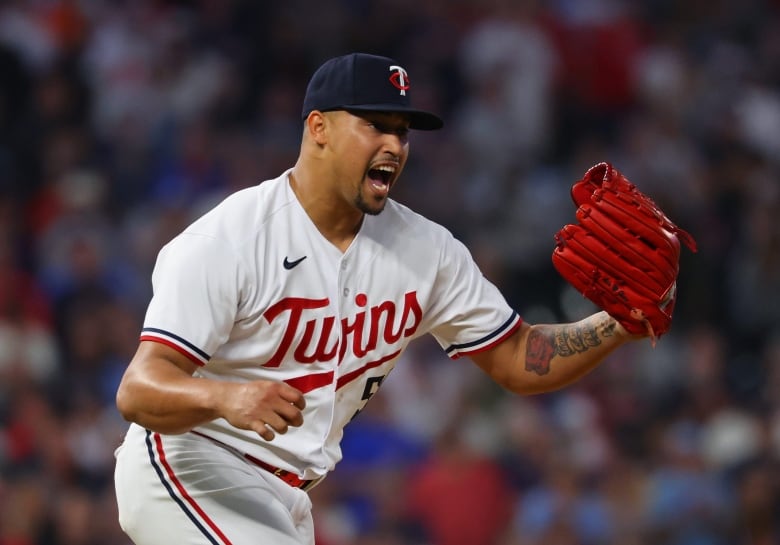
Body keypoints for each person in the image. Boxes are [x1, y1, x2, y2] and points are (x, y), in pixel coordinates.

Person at [113, 52, 645, 545]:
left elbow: (519, 358)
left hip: (288, 497)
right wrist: (225, 398)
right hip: (187, 465)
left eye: (402, 131)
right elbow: (138, 390)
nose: (394, 144)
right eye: (376, 125)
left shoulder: (426, 251)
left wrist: (621, 322)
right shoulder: (229, 238)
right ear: (317, 127)